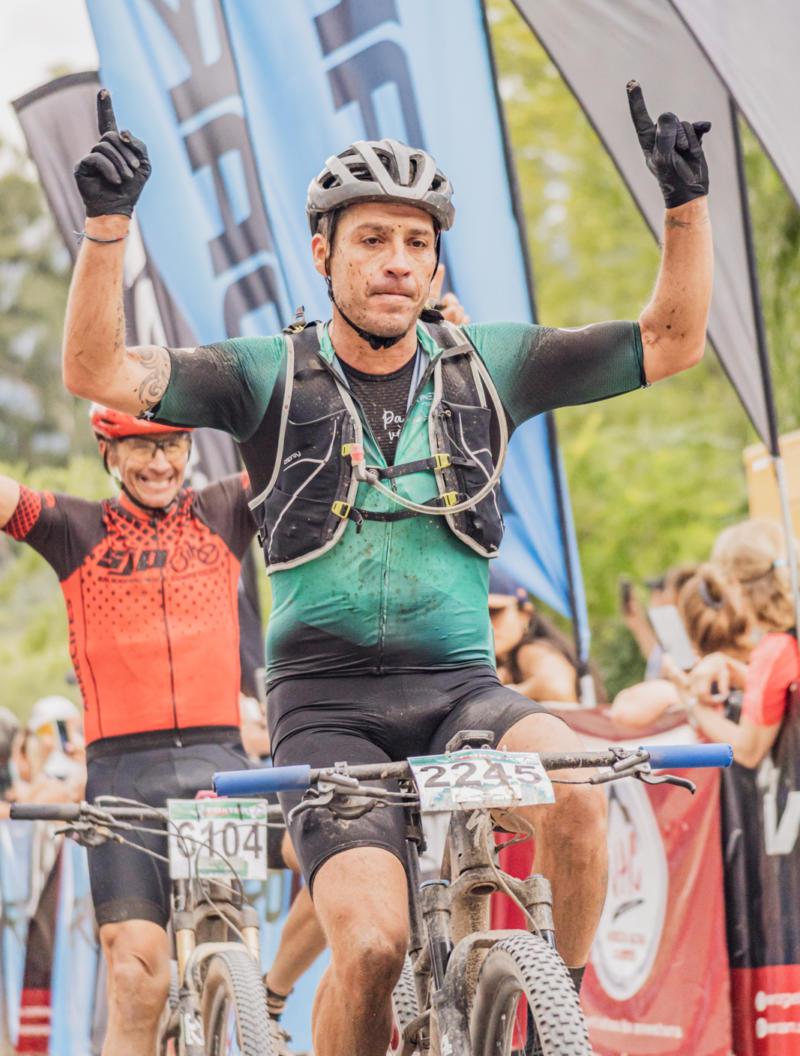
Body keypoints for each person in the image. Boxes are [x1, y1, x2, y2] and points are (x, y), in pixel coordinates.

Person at [62, 82, 713, 1056]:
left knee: (576, 789)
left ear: (436, 261)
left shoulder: (488, 363)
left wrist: (684, 207)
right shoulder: (262, 374)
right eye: (371, 239)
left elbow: (670, 342)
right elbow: (99, 373)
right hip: (324, 710)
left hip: (462, 692)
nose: (397, 261)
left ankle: (553, 1017)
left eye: (416, 242)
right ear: (321, 254)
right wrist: (108, 228)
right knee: (370, 948)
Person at [0, 407, 322, 1054]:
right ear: (108, 453)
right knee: (136, 976)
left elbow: (307, 447)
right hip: (125, 776)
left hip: (222, 769)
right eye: (140, 448)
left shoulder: (223, 509)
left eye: (172, 445)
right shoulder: (74, 527)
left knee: (338, 865)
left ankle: (271, 994)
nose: (159, 462)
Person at [671, 521, 799, 769]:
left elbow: (747, 750)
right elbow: (780, 688)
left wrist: (691, 702)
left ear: (735, 585)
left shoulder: (775, 650)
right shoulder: (786, 642)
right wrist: (732, 669)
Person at [489, 568, 581, 703]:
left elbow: (557, 687)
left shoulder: (531, 651)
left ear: (525, 615)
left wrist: (499, 693)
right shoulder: (499, 663)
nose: (487, 624)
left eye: (495, 612)